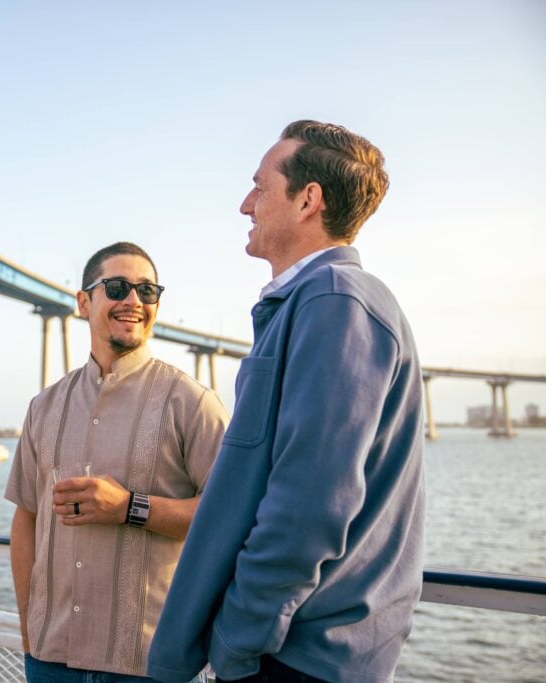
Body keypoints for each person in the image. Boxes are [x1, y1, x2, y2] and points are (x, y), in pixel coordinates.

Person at [147, 121, 425, 683]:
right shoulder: (316, 304)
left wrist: (236, 642)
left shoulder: (335, 303)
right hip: (296, 652)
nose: (245, 204)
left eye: (259, 187)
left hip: (295, 659)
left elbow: (309, 505)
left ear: (307, 200)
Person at [6, 242, 230, 681]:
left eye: (147, 291)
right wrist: (30, 632)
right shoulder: (43, 407)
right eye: (118, 286)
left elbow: (229, 517)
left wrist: (130, 508)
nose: (133, 300)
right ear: (84, 302)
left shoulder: (193, 403)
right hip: (51, 660)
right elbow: (26, 519)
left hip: (149, 665)